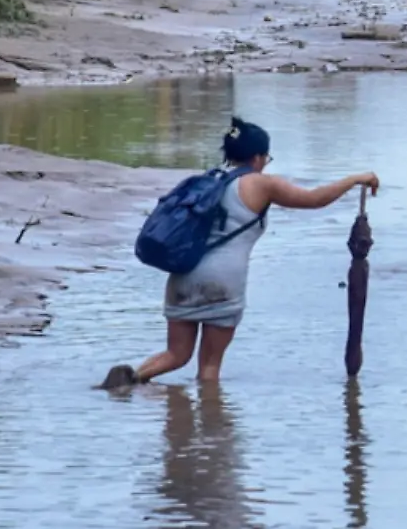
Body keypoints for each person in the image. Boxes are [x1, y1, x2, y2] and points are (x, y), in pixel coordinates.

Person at [101, 118, 380, 387]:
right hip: (223, 283)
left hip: (182, 276)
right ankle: (211, 429)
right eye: (266, 158)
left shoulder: (207, 180)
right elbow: (314, 199)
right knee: (209, 369)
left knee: (176, 355)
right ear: (258, 157)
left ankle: (133, 379)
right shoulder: (260, 184)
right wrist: (356, 179)